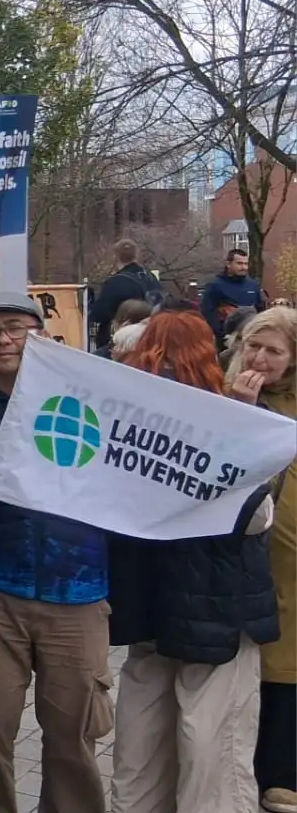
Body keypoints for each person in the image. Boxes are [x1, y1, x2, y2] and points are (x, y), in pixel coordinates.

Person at [0, 293, 111, 813]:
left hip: (77, 594)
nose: (4, 339)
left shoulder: (90, 401)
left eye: (16, 328)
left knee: (74, 737)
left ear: (42, 334)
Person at [107, 310, 279, 813]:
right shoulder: (223, 419)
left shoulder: (124, 422)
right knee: (214, 760)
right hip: (217, 612)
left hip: (148, 611)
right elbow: (256, 517)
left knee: (141, 753)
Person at [224, 308, 297, 813]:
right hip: (250, 551)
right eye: (254, 346)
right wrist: (245, 408)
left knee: (289, 667)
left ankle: (282, 774)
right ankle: (249, 769)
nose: (261, 358)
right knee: (257, 664)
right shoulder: (224, 393)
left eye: (274, 350)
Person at [90, 239, 163, 351]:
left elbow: (98, 315)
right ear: (136, 256)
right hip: (151, 339)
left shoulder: (114, 282)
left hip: (122, 344)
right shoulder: (151, 278)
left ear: (116, 257)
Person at [201, 248, 265, 345]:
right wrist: (222, 335)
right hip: (226, 340)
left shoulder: (253, 285)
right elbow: (208, 312)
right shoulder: (215, 286)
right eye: (239, 263)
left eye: (246, 264)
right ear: (228, 264)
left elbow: (260, 310)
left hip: (250, 337)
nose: (244, 267)